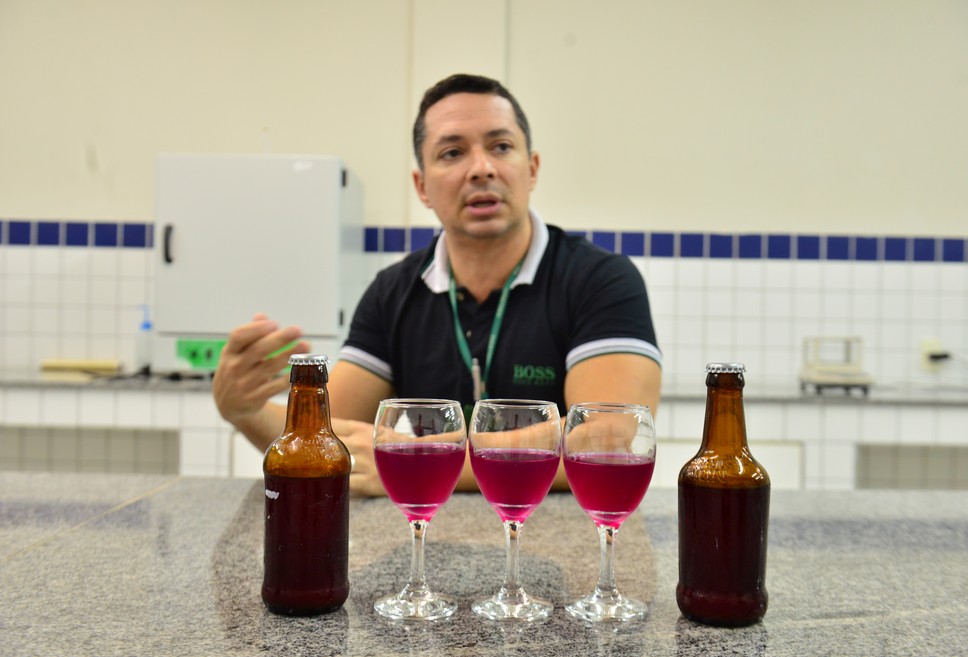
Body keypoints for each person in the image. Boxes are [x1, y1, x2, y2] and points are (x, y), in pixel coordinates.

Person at [213, 73, 663, 497]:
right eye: (452, 153)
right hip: (425, 542)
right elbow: (327, 438)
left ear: (532, 168)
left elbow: (611, 438)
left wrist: (418, 458)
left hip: (570, 549)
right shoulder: (393, 292)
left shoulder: (601, 280)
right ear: (422, 186)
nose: (481, 168)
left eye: (501, 146)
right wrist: (242, 411)